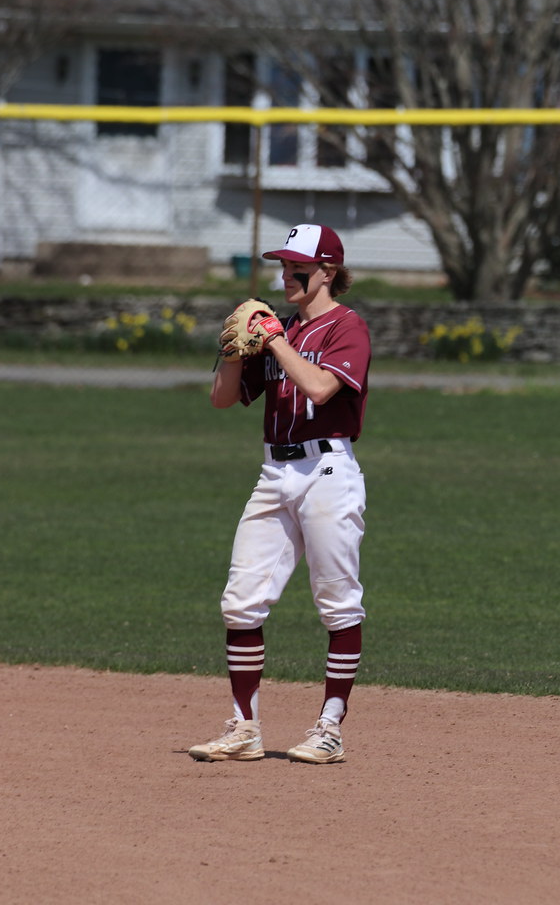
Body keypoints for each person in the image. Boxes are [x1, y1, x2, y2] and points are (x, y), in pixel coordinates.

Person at [189, 224, 371, 765]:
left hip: (328, 472)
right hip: (275, 473)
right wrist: (232, 352)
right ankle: (245, 728)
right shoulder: (282, 330)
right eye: (284, 266)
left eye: (298, 268)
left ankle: (329, 729)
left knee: (338, 603)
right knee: (240, 603)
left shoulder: (347, 327)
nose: (286, 275)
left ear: (328, 273)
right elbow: (223, 399)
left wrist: (272, 340)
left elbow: (320, 387)